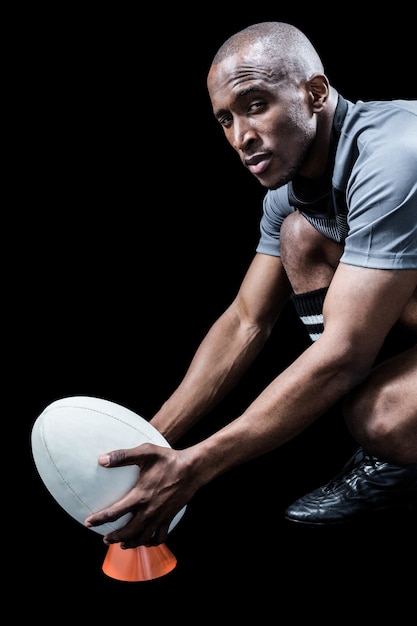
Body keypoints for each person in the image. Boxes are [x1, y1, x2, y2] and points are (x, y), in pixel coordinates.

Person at [85, 21, 416, 547]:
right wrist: (146, 444)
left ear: (315, 92)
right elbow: (245, 321)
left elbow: (345, 353)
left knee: (380, 417)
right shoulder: (292, 189)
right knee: (299, 237)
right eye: (225, 119)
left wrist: (194, 467)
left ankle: (396, 450)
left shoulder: (395, 155)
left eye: (256, 104)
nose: (241, 137)